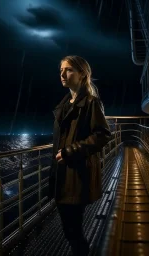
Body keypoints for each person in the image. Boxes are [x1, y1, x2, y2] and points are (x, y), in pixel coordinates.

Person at [48, 55, 111, 256]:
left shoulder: (91, 103)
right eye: (61, 70)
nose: (62, 74)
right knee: (70, 230)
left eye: (68, 70)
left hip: (77, 175)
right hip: (62, 174)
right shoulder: (65, 104)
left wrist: (70, 151)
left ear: (82, 73)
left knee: (73, 231)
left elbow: (102, 135)